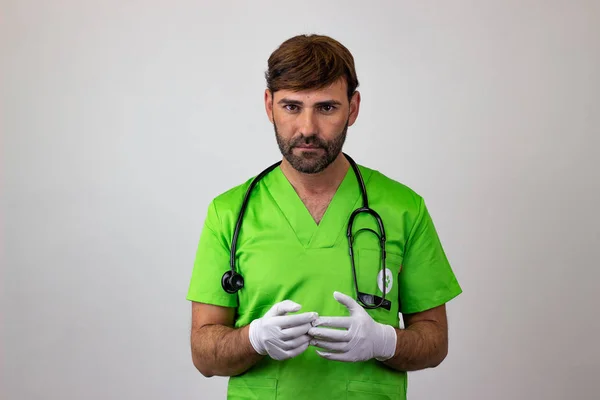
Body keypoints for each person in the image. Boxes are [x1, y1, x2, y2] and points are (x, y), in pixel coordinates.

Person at [186, 33, 462, 399]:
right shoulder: (229, 212)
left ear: (354, 107)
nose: (308, 129)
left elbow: (434, 341)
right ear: (269, 105)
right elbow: (205, 356)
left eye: (327, 108)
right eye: (291, 106)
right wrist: (252, 339)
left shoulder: (403, 207)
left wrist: (385, 341)